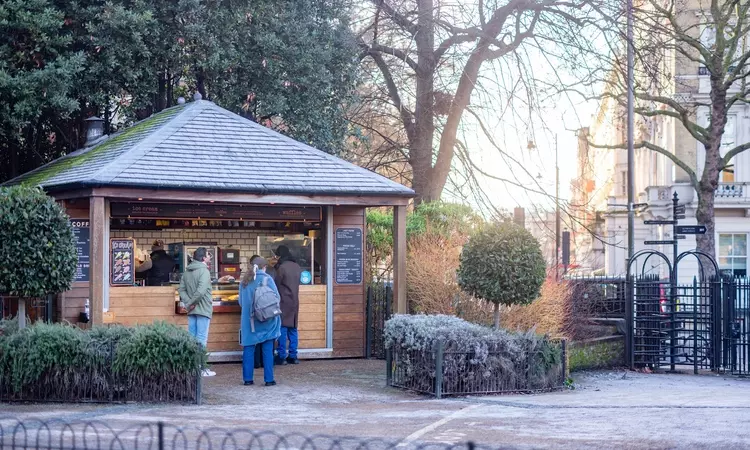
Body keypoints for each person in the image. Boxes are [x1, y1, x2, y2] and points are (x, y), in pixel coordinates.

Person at [239, 255, 281, 386]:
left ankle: (248, 379)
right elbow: (277, 298)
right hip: (267, 319)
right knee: (268, 349)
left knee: (249, 348)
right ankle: (269, 379)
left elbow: (241, 302)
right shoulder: (268, 279)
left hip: (249, 321)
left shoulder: (244, 281)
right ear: (264, 267)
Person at [178, 247, 215, 377]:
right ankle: (201, 368)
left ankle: (192, 367)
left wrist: (188, 303)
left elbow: (181, 289)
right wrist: (191, 303)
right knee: (201, 339)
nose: (210, 257)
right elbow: (201, 291)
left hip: (191, 310)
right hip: (203, 308)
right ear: (203, 258)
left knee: (192, 339)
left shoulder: (187, 271)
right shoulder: (204, 271)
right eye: (208, 255)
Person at [274, 245, 302, 365]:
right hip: (295, 301)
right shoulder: (297, 266)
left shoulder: (282, 268)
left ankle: (281, 356)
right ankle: (293, 355)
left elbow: (276, 285)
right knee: (293, 329)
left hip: (284, 301)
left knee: (283, 329)